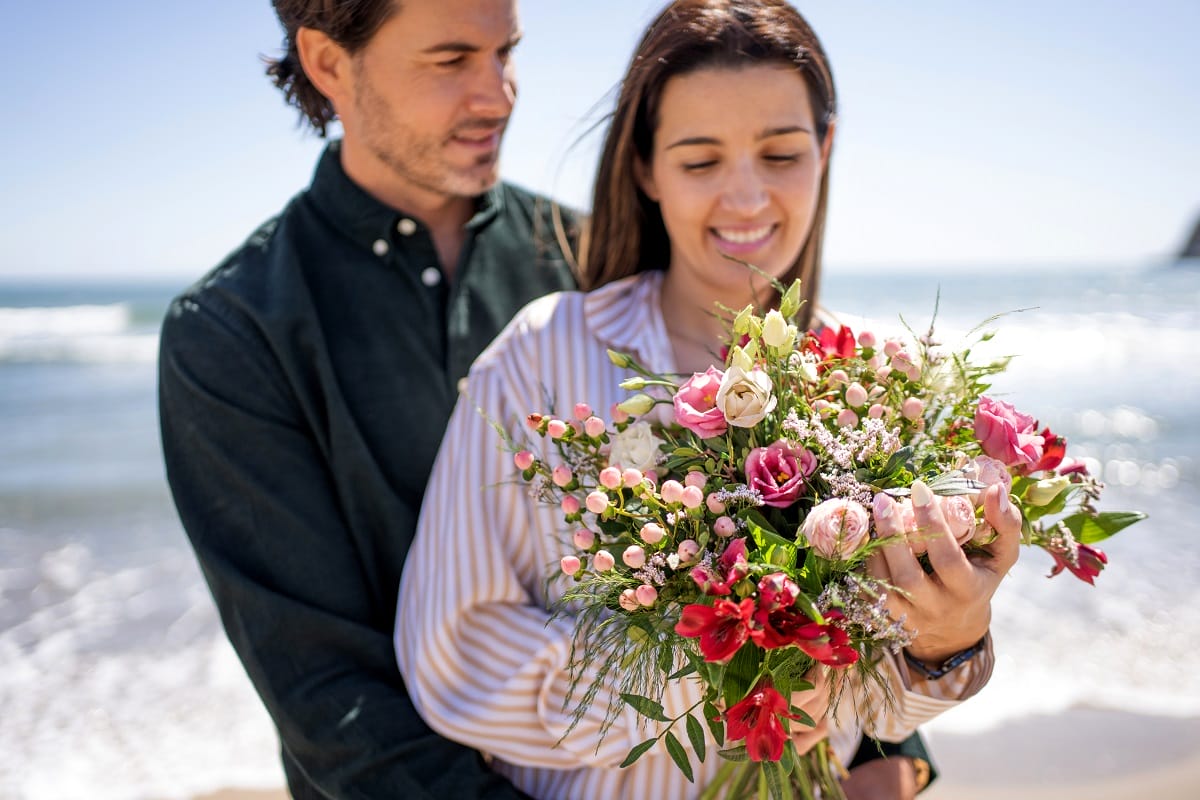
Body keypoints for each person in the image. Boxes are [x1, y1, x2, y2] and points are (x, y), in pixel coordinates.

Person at [394, 2, 1022, 799]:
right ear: (646, 169)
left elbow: (887, 713)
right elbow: (453, 657)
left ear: (825, 149)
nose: (747, 198)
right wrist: (719, 681)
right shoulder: (542, 355)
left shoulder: (877, 382)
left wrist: (953, 639)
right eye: (699, 162)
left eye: (782, 152)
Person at [157, 1, 580, 798]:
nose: (499, 95)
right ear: (327, 63)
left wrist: (881, 743)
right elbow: (328, 699)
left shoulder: (596, 256)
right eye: (451, 60)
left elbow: (752, 515)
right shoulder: (229, 330)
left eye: (507, 52)